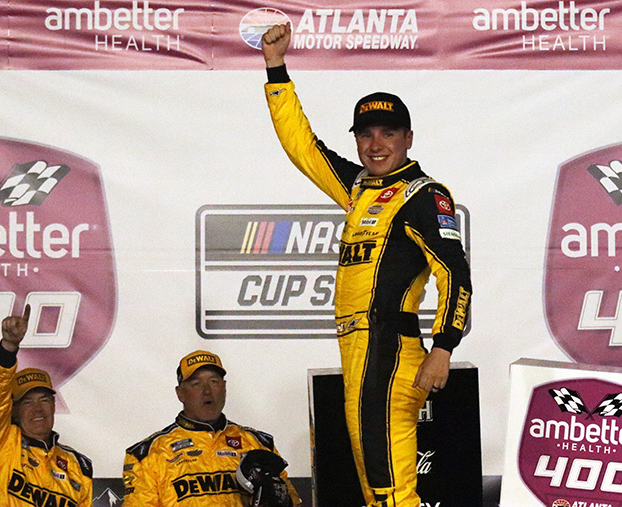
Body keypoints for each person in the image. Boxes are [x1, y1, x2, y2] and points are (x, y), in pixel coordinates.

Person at [259, 23, 472, 507]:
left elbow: (454, 273)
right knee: (378, 489)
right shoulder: (358, 187)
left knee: (390, 489)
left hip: (390, 352)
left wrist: (444, 347)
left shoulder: (424, 196)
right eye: (366, 134)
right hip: (358, 350)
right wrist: (276, 69)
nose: (376, 144)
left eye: (389, 133)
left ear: (409, 138)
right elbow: (304, 148)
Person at [122, 350, 301, 506]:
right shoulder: (147, 455)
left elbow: (291, 499)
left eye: (214, 381)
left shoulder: (258, 443)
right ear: (180, 393)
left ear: (224, 388)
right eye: (196, 383)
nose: (207, 391)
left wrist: (278, 500)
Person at [0, 305, 93, 507]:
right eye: (27, 401)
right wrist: (8, 347)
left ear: (54, 405)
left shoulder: (78, 466)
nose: (38, 409)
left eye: (44, 400)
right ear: (14, 410)